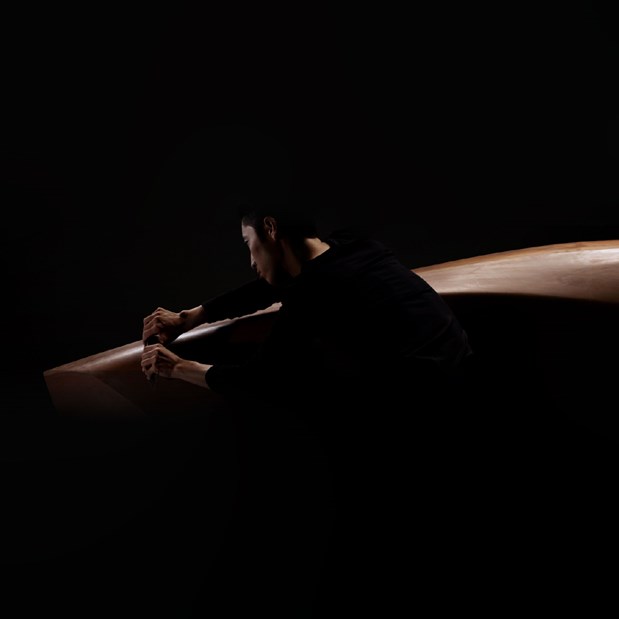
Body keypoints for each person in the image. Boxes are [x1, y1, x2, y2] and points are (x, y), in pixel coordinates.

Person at [140, 201, 475, 616]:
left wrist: (178, 367)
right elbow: (272, 286)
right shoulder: (353, 247)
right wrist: (192, 316)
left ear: (270, 229)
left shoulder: (317, 292)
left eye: (249, 244)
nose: (251, 260)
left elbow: (260, 378)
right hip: (463, 375)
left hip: (423, 426)